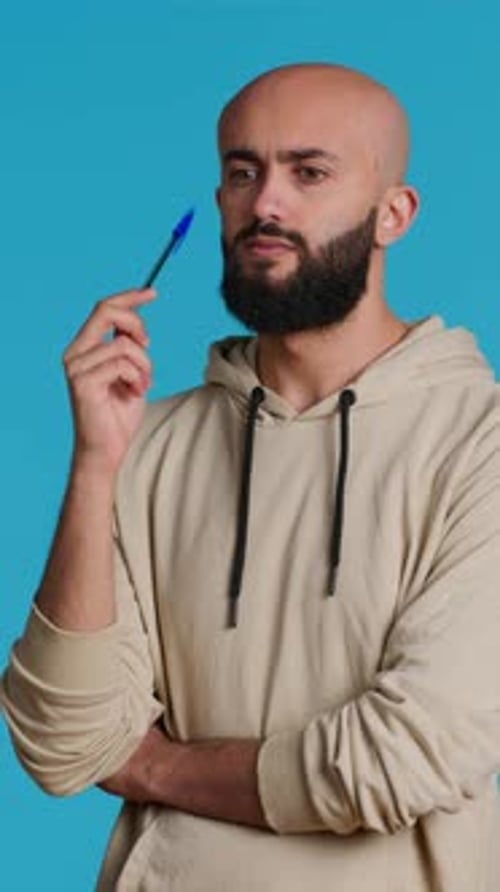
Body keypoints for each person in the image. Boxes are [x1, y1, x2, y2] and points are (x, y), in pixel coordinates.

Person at [2, 62, 500, 891]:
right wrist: (95, 464)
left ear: (395, 214)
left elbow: (404, 757)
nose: (266, 203)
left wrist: (157, 768)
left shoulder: (478, 440)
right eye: (243, 172)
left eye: (309, 172)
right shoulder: (146, 442)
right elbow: (61, 744)